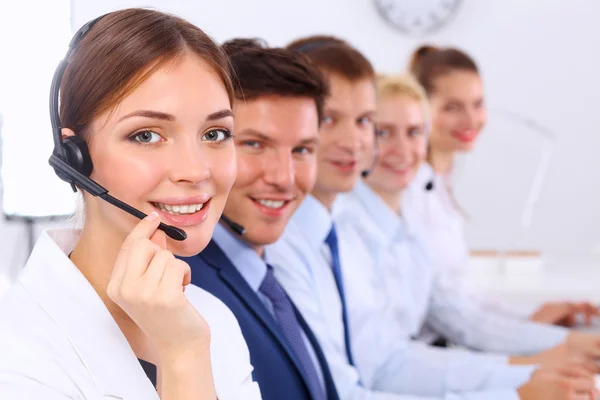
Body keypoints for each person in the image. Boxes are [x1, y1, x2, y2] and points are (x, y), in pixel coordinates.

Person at [267, 35, 597, 400]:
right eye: (330, 119)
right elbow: (361, 381)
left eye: (363, 121)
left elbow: (402, 349)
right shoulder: (303, 235)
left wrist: (536, 367)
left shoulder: (353, 223)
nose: (353, 140)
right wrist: (520, 384)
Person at [0, 9, 260, 399]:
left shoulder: (212, 318)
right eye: (146, 136)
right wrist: (182, 357)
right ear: (75, 157)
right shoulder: (16, 350)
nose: (196, 170)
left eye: (215, 133)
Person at [335, 72, 600, 365]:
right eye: (383, 133)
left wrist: (563, 344)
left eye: (414, 132)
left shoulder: (407, 221)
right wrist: (531, 367)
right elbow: (390, 363)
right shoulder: (347, 231)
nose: (402, 149)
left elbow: (457, 312)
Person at [180, 39, 339, 400]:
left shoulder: (266, 272)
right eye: (254, 144)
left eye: (302, 150)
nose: (284, 177)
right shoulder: (185, 292)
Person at [403, 45, 600, 330]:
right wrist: (528, 329)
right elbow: (443, 310)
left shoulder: (442, 185)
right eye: (452, 107)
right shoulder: (410, 192)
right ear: (420, 110)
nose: (471, 119)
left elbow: (463, 293)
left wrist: (530, 317)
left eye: (478, 104)